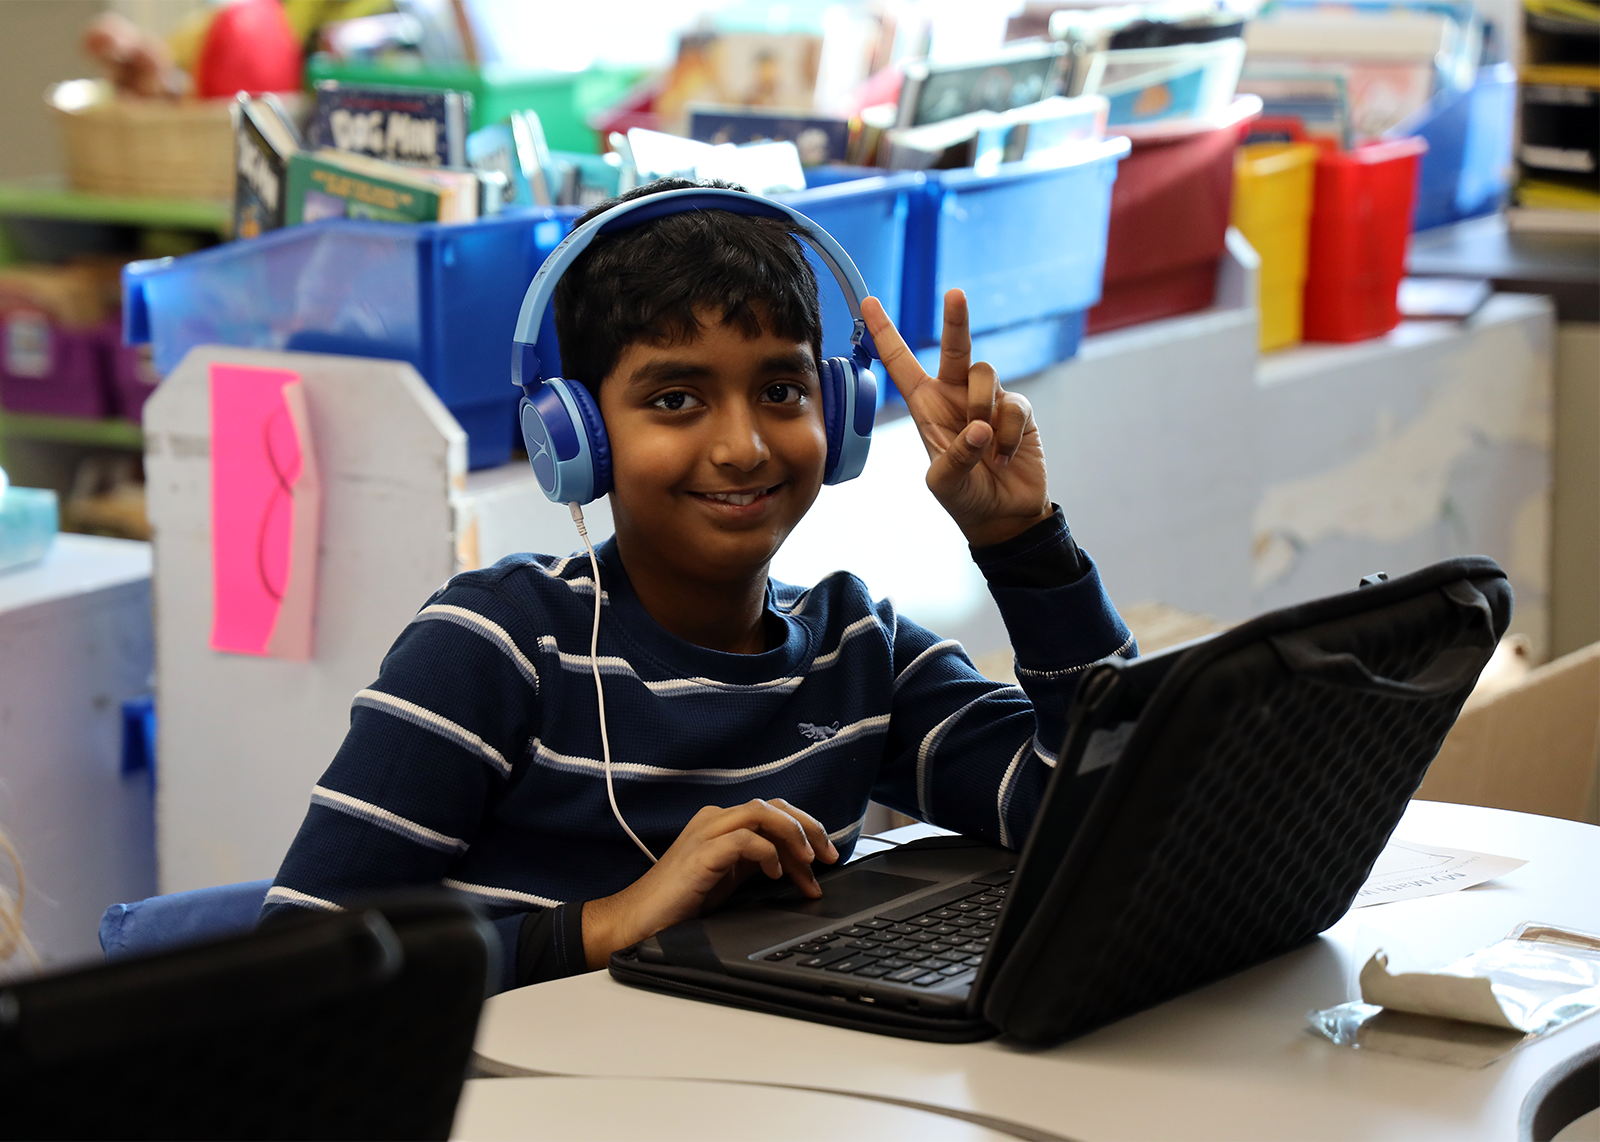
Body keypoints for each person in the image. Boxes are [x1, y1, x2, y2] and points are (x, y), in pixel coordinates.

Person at [262, 177, 1135, 992]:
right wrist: (606, 926)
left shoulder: (858, 649)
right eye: (676, 399)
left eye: (783, 390)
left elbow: (1106, 811)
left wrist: (1021, 542)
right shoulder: (497, 648)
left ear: (838, 418)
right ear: (576, 435)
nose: (742, 447)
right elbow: (295, 969)